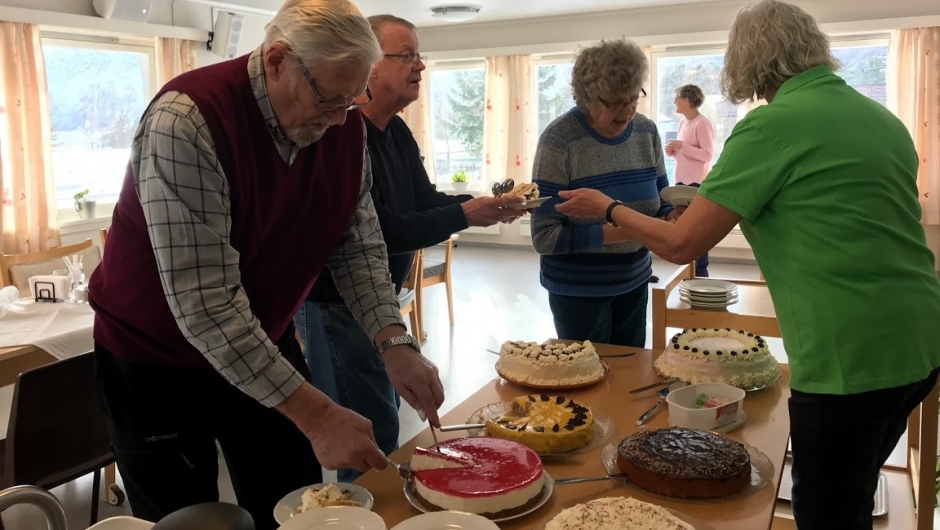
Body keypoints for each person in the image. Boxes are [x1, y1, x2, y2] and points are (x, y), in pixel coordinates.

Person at [554, 1, 940, 529]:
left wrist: (608, 208)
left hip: (849, 353)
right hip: (920, 337)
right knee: (854, 481)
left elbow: (682, 246)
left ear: (747, 63)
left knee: (827, 512)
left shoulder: (771, 126)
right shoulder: (879, 117)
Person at [88, 2, 444, 528]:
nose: (340, 120)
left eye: (354, 99)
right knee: (186, 517)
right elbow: (207, 307)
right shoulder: (187, 122)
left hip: (260, 333)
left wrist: (393, 342)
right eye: (329, 99)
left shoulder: (341, 120)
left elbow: (358, 243)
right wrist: (317, 413)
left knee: (292, 500)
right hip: (154, 361)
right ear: (277, 60)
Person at [296, 13, 523, 482]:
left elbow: (423, 202)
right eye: (406, 55)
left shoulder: (395, 131)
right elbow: (378, 233)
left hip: (380, 300)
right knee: (369, 431)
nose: (419, 65)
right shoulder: (340, 132)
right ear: (369, 66)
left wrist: (483, 206)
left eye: (419, 55)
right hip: (337, 304)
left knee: (383, 417)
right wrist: (465, 214)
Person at [530, 39, 676, 348]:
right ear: (586, 98)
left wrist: (671, 214)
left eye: (633, 99)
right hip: (578, 291)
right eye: (614, 102)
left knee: (631, 373)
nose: (627, 112)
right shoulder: (559, 141)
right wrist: (628, 230)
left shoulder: (646, 132)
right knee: (588, 385)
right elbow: (545, 237)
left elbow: (661, 199)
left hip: (636, 279)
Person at [666, 84, 714, 276]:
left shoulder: (703, 123)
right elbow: (685, 153)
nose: (674, 102)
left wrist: (682, 146)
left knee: (698, 228)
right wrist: (673, 151)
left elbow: (707, 154)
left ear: (686, 100)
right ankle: (688, 268)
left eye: (676, 98)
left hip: (695, 183)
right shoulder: (682, 124)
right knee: (684, 226)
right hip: (681, 182)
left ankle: (700, 269)